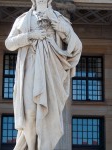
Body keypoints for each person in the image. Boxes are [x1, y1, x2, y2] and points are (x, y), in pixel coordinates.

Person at [5, 0, 82, 149]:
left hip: (52, 71)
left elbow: (77, 45)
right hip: (30, 68)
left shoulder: (59, 18)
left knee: (48, 115)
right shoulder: (22, 19)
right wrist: (30, 36)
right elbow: (9, 43)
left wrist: (62, 30)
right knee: (30, 111)